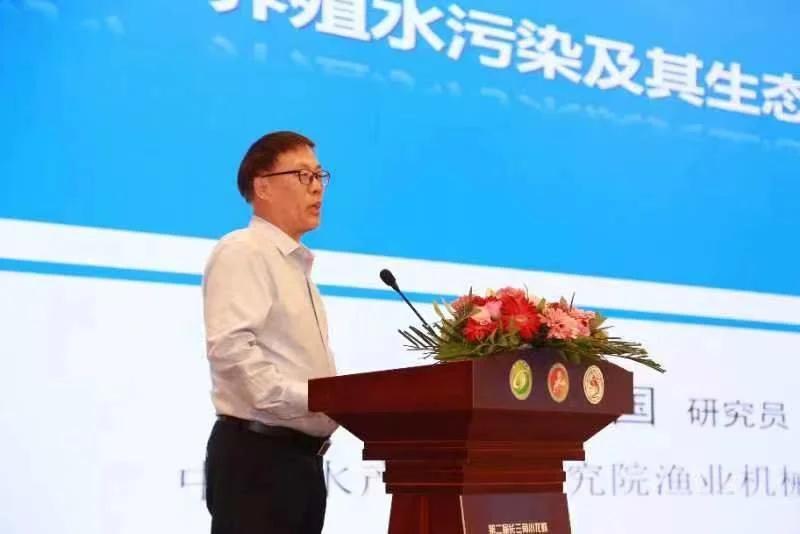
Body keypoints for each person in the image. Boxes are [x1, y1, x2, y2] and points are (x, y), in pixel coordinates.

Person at [202, 131, 338, 534]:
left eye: (320, 175)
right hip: (259, 460)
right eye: (303, 175)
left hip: (301, 463)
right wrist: (317, 399)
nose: (317, 187)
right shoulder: (244, 250)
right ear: (262, 186)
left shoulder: (296, 267)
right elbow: (232, 351)